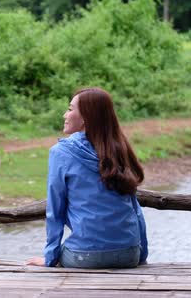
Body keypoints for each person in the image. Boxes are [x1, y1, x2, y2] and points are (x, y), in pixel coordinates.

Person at [26, 87, 148, 268]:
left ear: (86, 118)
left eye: (69, 109)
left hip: (86, 256)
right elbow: (134, 207)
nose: (64, 115)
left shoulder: (61, 153)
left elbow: (55, 211)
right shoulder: (118, 148)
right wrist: (141, 253)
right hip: (129, 254)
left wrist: (51, 258)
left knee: (66, 253)